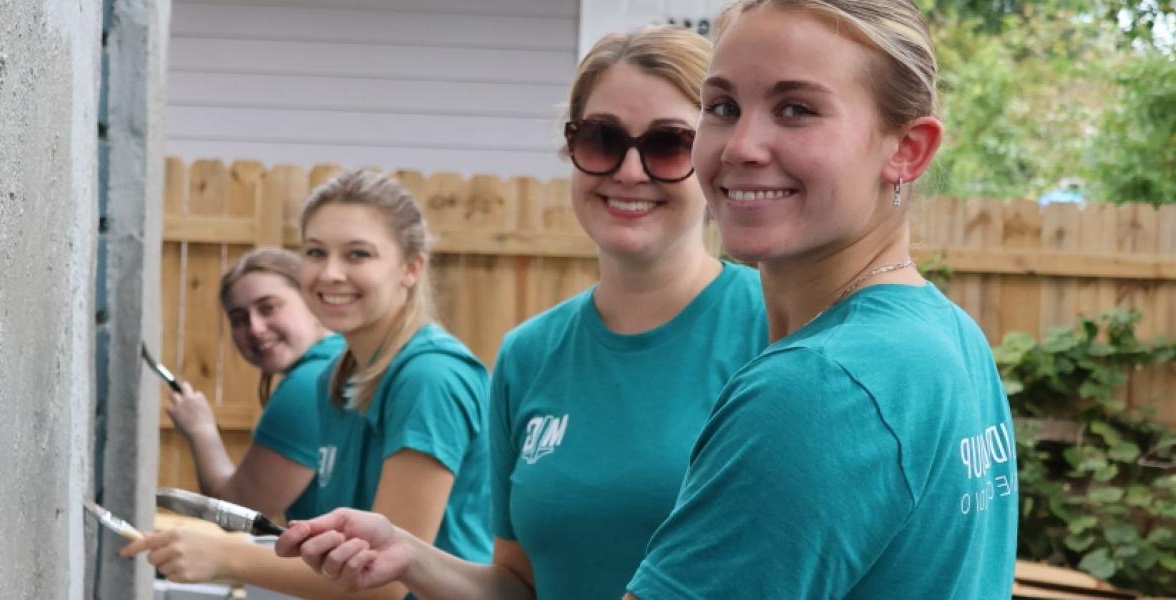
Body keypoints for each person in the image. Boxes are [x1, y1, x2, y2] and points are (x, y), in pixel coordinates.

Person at [283, 1, 1021, 597]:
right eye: (725, 107)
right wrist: (413, 557)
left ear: (908, 150)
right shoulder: (946, 336)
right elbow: (524, 584)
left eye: (797, 110)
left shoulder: (815, 386)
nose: (740, 146)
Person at [268, 25, 773, 600]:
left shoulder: (778, 329)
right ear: (572, 150)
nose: (630, 172)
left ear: (713, 156)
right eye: (602, 140)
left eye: (668, 144)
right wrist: (406, 555)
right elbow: (518, 585)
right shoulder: (529, 354)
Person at [126, 169, 492, 600]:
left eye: (358, 254)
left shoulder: (430, 379)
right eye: (315, 252)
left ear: (410, 268)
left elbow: (384, 580)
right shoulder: (336, 378)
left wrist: (228, 557)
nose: (330, 273)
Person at [163, 247, 342, 520]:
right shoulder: (341, 360)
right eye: (239, 319)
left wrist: (201, 431)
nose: (255, 328)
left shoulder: (308, 386)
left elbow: (239, 514)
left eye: (268, 307)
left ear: (314, 302)